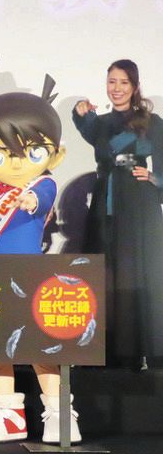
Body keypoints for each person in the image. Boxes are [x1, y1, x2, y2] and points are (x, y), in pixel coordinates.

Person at [0, 82, 81, 444]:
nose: (14, 161)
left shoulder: (42, 184)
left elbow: (41, 199)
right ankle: (7, 409)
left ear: (54, 154)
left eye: (30, 150)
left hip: (28, 276)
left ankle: (58, 410)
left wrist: (29, 202)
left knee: (37, 344)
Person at [73, 59, 163, 369]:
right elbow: (87, 127)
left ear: (135, 87)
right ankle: (106, 350)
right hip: (105, 201)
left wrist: (154, 178)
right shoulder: (100, 123)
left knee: (137, 272)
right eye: (112, 81)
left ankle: (143, 351)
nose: (117, 88)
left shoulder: (152, 122)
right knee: (104, 273)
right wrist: (80, 111)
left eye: (124, 82)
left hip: (138, 205)